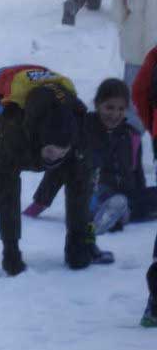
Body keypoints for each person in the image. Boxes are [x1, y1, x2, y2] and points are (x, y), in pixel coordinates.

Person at [0, 65, 113, 282]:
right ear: (39, 142)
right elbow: (6, 191)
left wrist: (78, 241)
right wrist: (11, 249)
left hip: (46, 120)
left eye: (60, 153)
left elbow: (80, 188)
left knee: (81, 171)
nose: (54, 158)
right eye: (50, 153)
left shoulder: (80, 133)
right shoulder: (13, 133)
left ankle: (80, 239)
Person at [25, 78, 157, 233]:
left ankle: (120, 213)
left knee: (134, 199)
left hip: (124, 195)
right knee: (96, 195)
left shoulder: (131, 135)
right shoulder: (83, 130)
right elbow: (59, 170)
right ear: (97, 105)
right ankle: (105, 217)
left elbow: (137, 173)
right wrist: (39, 204)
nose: (115, 114)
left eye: (121, 109)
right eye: (109, 108)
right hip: (92, 193)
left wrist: (141, 199)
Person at [110, 0, 157, 131]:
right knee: (134, 110)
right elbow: (119, 16)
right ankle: (131, 153)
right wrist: (132, 34)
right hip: (135, 60)